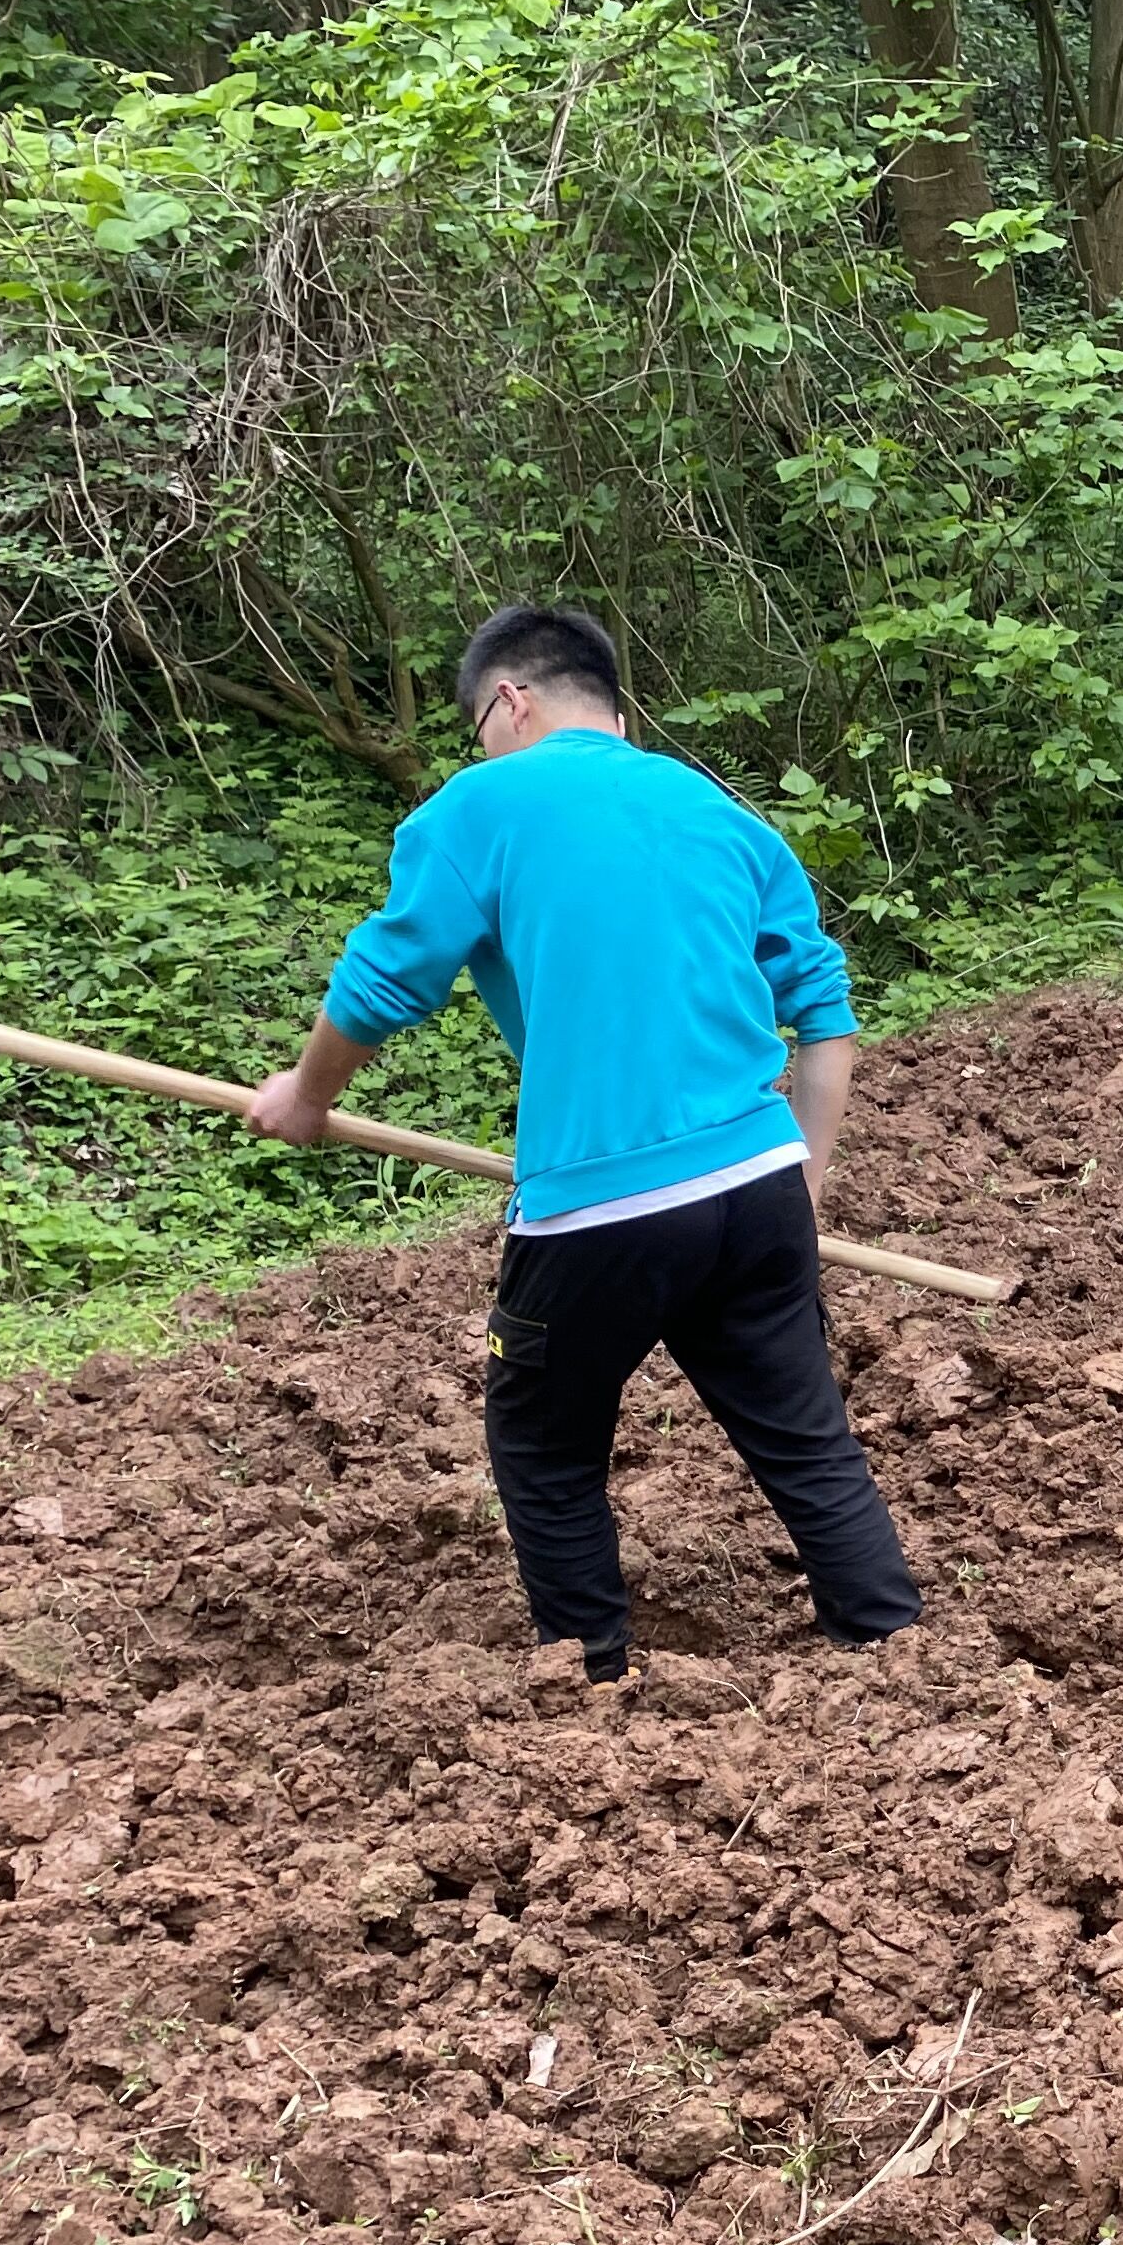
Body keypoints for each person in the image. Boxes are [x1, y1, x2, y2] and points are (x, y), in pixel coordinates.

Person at [247, 604, 922, 1681]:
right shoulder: (714, 808)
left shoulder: (481, 806)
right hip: (758, 1181)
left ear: (508, 702)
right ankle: (890, 1641)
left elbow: (383, 981)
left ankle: (588, 1682)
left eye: (478, 727)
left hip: (602, 1205)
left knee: (544, 1445)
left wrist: (305, 1095)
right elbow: (824, 1008)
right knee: (802, 1434)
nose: (482, 747)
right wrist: (804, 1171)